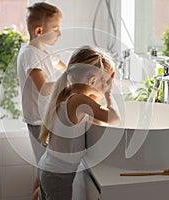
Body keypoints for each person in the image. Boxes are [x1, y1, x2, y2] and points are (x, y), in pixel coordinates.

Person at [37, 46, 120, 200]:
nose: (107, 84)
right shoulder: (78, 101)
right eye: (106, 80)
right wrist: (108, 93)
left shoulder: (69, 95)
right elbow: (114, 117)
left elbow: (98, 122)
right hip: (58, 176)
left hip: (50, 168)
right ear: (92, 80)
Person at [16, 2, 66, 200]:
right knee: (48, 173)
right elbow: (44, 88)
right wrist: (67, 82)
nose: (59, 34)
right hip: (38, 123)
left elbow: (64, 66)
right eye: (56, 29)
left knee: (43, 168)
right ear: (39, 31)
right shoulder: (30, 54)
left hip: (46, 120)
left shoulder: (43, 50)